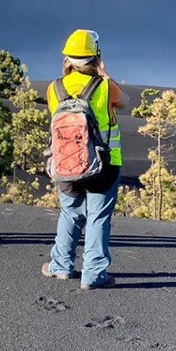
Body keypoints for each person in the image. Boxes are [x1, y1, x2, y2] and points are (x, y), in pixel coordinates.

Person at [42, 29, 128, 289]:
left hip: (67, 161)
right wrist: (105, 75)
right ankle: (93, 275)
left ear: (67, 57)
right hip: (105, 163)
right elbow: (125, 102)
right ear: (96, 57)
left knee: (70, 213)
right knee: (98, 217)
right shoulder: (105, 86)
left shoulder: (53, 88)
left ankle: (60, 266)